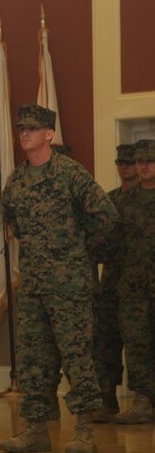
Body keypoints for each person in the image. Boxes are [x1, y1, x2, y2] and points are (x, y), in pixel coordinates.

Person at [0, 104, 117, 453]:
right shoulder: (16, 182)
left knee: (77, 356)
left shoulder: (70, 174)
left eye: (32, 129)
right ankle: (35, 429)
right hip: (33, 285)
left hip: (70, 287)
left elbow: (107, 217)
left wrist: (81, 252)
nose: (24, 133)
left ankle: (83, 430)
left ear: (49, 134)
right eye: (21, 128)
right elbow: (14, 225)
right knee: (33, 359)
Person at [92, 143, 138, 421]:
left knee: (140, 342)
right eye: (120, 162)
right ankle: (107, 397)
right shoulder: (108, 201)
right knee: (106, 342)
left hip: (141, 284)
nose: (124, 167)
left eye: (129, 162)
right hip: (111, 283)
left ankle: (145, 399)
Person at [112, 138, 155, 425]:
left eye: (149, 161)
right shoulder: (125, 200)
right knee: (137, 343)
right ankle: (143, 399)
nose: (142, 166)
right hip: (133, 286)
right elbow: (113, 242)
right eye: (139, 161)